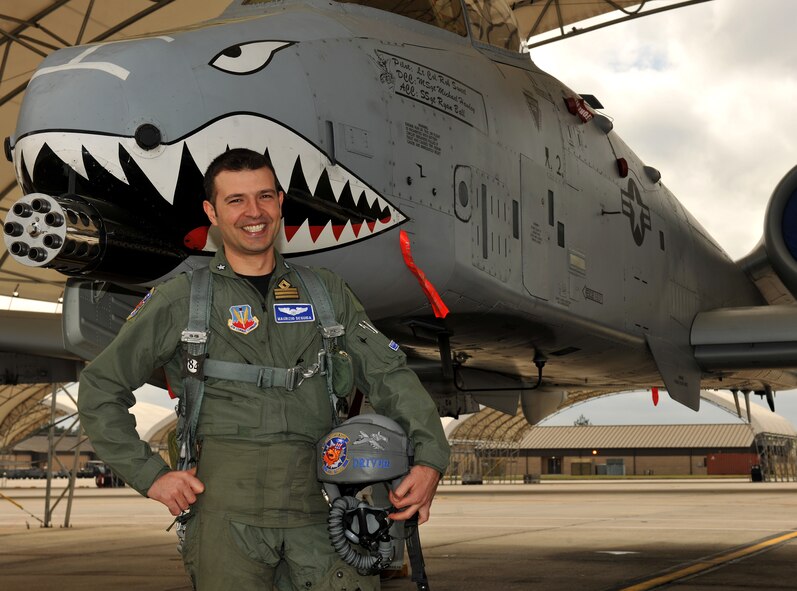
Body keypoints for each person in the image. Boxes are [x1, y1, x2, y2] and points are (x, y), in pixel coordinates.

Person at [77, 148, 450, 591]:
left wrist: (430, 459)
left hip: (322, 506)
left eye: (265, 197)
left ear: (279, 203)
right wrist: (150, 475)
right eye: (235, 200)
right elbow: (101, 387)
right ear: (211, 212)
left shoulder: (326, 293)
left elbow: (390, 375)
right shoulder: (183, 300)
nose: (253, 212)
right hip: (225, 515)